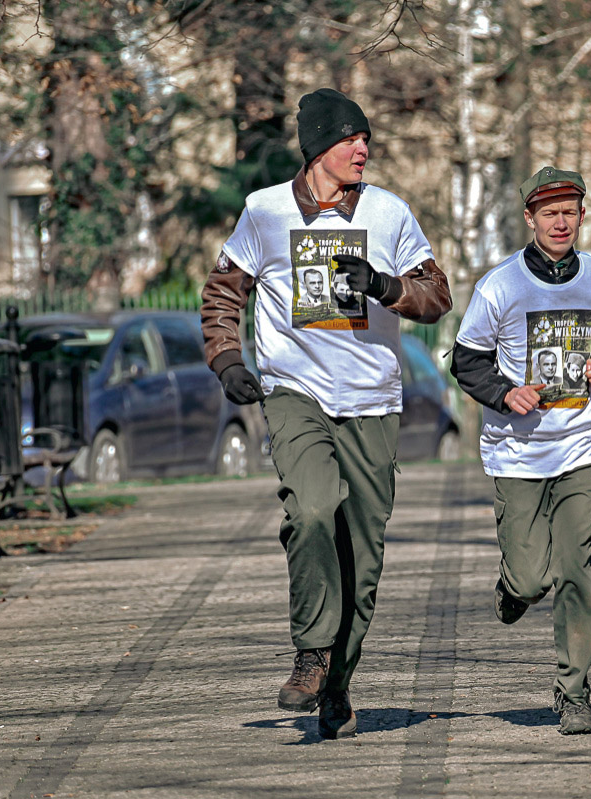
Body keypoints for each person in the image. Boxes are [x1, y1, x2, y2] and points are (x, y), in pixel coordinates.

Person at [200, 87, 452, 738]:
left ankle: (336, 682)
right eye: (349, 138)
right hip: (296, 391)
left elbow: (437, 296)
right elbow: (223, 292)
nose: (362, 148)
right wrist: (228, 360)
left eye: (366, 138)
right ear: (317, 147)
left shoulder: (390, 213)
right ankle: (311, 651)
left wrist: (385, 286)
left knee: (362, 562)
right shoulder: (265, 212)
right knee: (311, 509)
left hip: (372, 400)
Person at [451, 166, 591, 734]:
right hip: (518, 453)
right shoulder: (500, 286)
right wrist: (504, 393)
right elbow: (467, 361)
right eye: (549, 213)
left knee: (574, 571)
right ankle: (513, 589)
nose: (561, 222)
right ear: (529, 218)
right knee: (533, 579)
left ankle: (574, 693)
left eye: (570, 212)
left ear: (582, 217)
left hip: (583, 447)